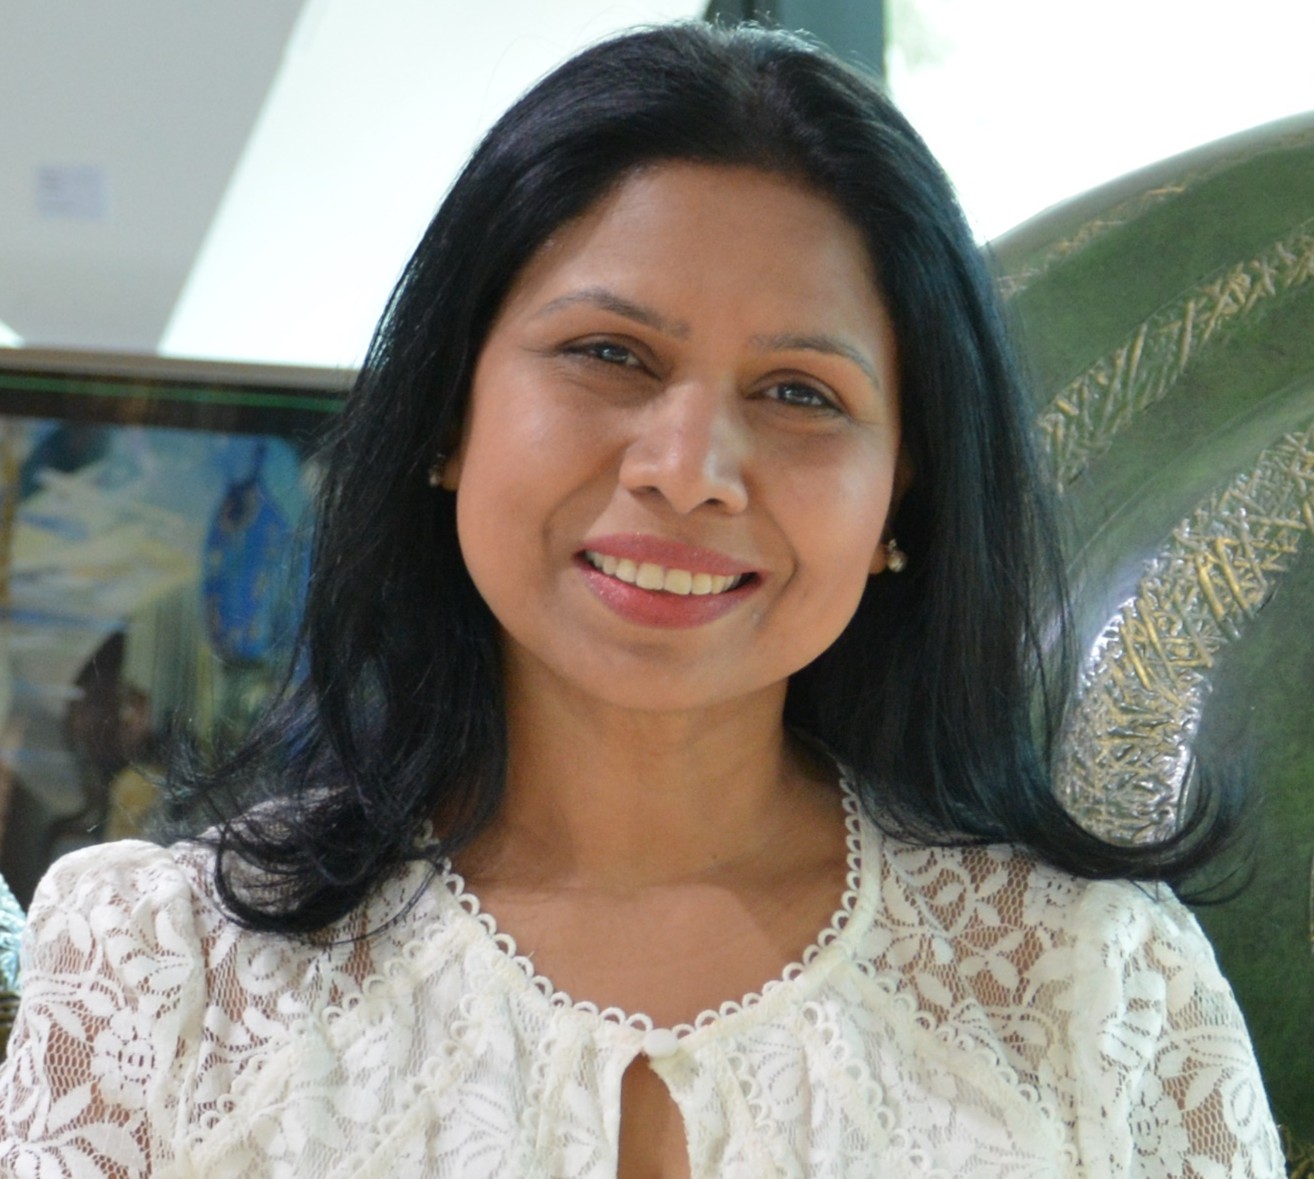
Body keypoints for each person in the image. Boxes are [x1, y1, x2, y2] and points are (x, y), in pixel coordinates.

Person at [0, 21, 1283, 1179]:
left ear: (905, 493)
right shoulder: (161, 973)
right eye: (609, 354)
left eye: (800, 392)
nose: (689, 469)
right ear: (446, 413)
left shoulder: (1095, 993)